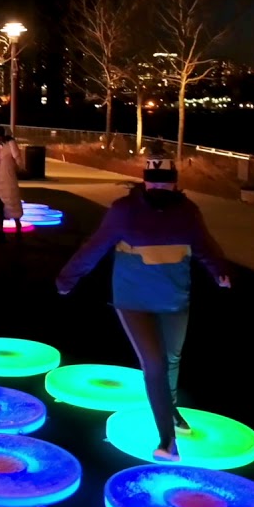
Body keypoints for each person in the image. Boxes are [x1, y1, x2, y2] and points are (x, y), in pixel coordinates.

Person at [55, 154, 230, 462]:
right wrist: (67, 278)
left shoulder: (187, 211)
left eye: (166, 180)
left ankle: (171, 413)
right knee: (154, 364)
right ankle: (167, 439)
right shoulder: (124, 211)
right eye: (154, 180)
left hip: (175, 297)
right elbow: (95, 247)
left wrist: (219, 270)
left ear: (175, 182)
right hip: (133, 299)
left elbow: (203, 244)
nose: (160, 185)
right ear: (145, 181)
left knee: (171, 359)